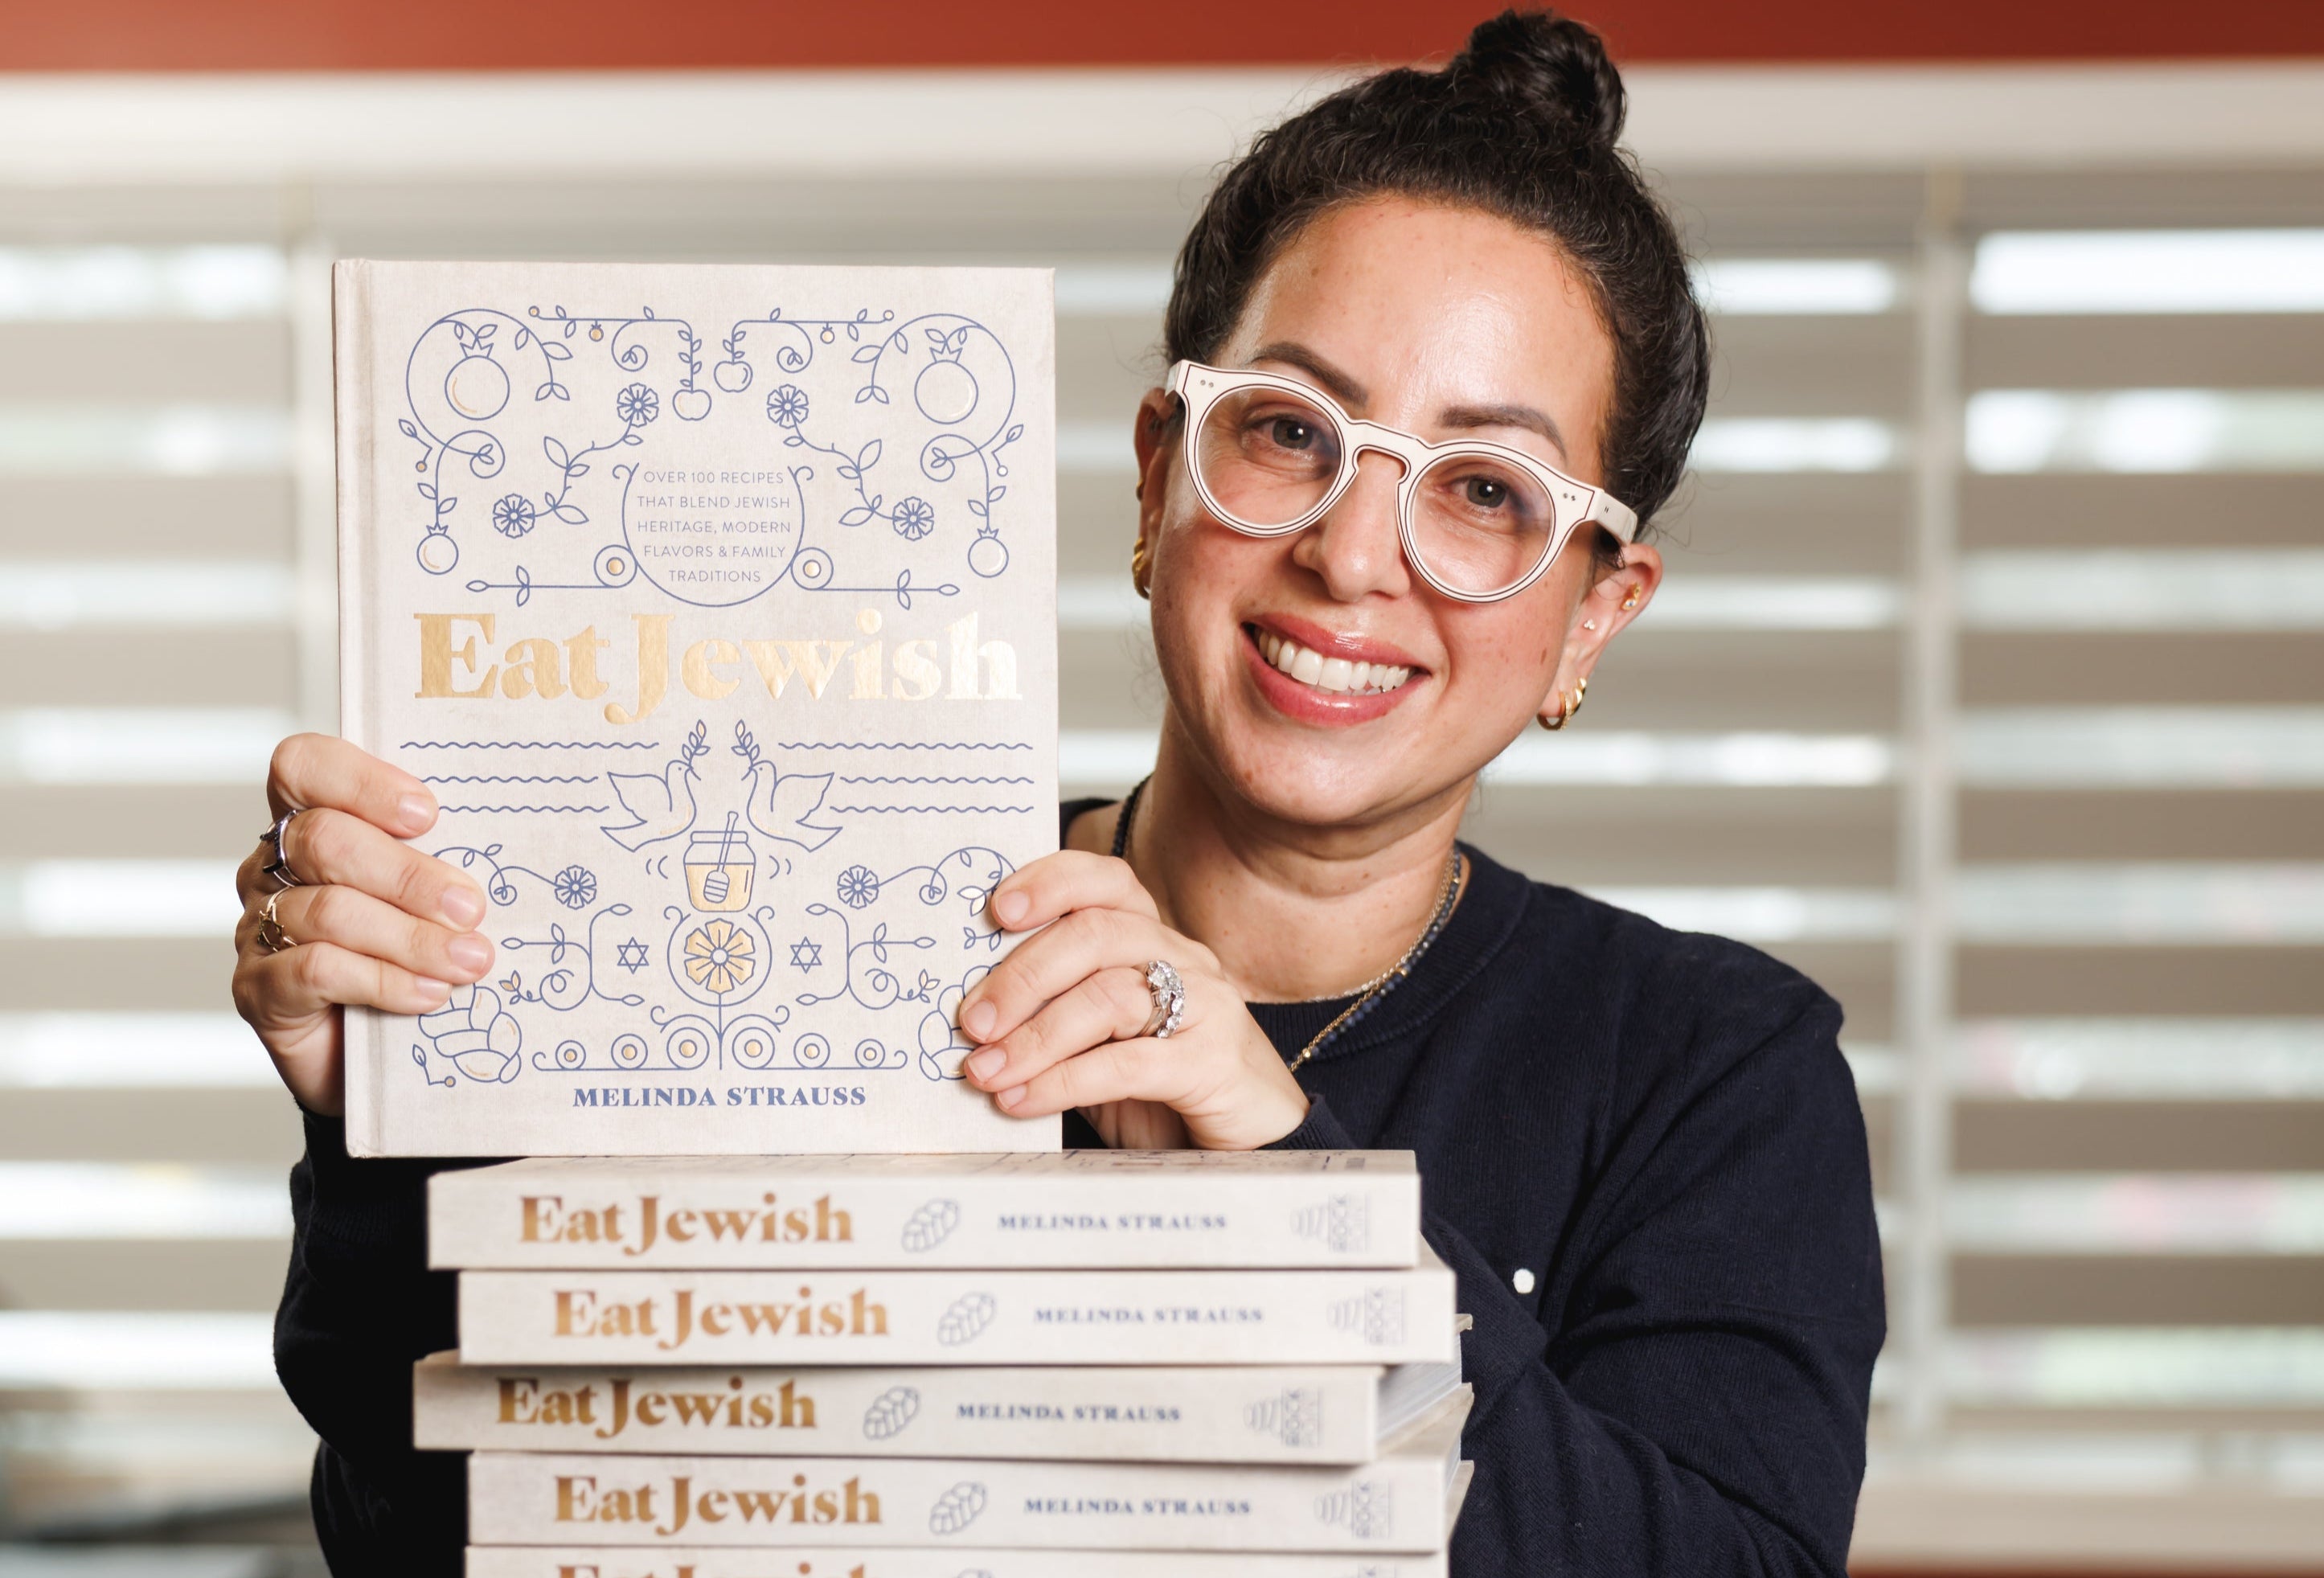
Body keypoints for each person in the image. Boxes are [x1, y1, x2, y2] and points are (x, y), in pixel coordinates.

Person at [234, 10, 1883, 1573]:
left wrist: (1285, 1182)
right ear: (1160, 476)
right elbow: (438, 1529)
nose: (1349, 552)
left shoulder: (1712, 1071)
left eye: (1481, 488)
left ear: (1596, 607)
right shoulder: (802, 911)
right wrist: (388, 1101)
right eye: (1289, 431)